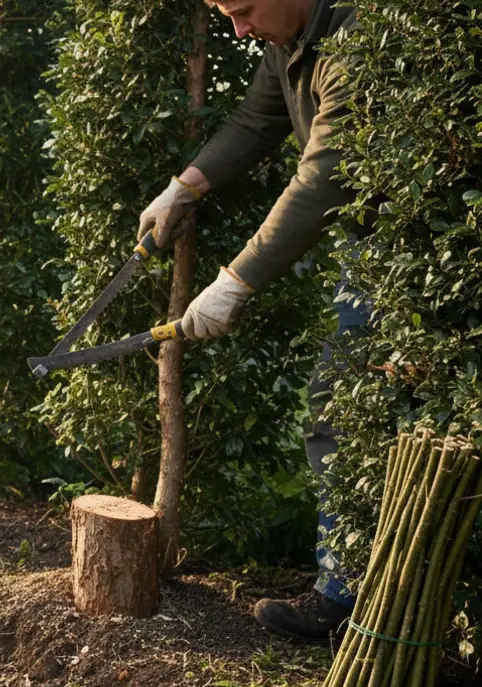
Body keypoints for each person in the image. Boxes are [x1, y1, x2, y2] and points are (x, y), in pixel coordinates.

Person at [136, 0, 363, 642]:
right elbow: (256, 120)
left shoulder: (356, 39)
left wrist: (235, 281)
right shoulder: (292, 40)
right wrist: (185, 186)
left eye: (242, 11)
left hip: (415, 252)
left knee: (340, 406)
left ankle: (347, 595)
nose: (237, 30)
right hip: (372, 248)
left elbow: (323, 177)